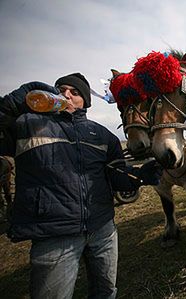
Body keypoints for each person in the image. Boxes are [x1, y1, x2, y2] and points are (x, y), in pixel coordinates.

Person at [0, 73, 163, 298]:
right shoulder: (27, 125)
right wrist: (15, 101)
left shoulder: (103, 136)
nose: (66, 95)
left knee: (106, 291)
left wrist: (141, 176)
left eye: (75, 92)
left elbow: (115, 175)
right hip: (55, 236)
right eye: (61, 90)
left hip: (103, 229)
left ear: (85, 101)